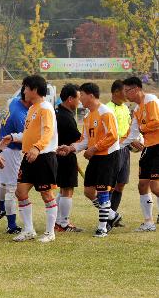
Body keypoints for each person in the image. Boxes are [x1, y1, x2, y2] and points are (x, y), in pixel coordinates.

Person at [0, 75, 59, 243]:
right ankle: (29, 230)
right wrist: (13, 137)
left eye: (25, 88)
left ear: (34, 89)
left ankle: (49, 233)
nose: (23, 91)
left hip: (44, 156)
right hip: (29, 156)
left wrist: (37, 147)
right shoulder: (32, 108)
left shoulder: (46, 108)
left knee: (47, 194)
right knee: (21, 192)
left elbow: (48, 132)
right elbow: (29, 133)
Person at [58, 82, 120, 238]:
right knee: (88, 191)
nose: (80, 99)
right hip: (95, 157)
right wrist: (71, 148)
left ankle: (102, 228)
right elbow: (85, 139)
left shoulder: (106, 112)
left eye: (82, 95)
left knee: (102, 190)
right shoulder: (87, 116)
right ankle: (112, 215)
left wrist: (94, 148)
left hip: (108, 156)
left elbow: (112, 136)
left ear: (91, 96)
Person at [121, 76, 159, 231]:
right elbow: (132, 134)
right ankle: (148, 222)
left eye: (127, 91)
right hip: (147, 148)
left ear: (136, 89)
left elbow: (157, 122)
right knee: (142, 185)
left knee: (155, 186)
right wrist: (117, 145)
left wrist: (143, 129)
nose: (125, 94)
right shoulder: (136, 109)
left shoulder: (151, 100)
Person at [0, 88, 30, 235]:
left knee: (3, 183)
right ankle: (11, 225)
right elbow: (26, 137)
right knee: (11, 187)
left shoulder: (15, 102)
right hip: (11, 150)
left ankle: (1, 207)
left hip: (3, 147)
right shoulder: (20, 115)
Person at [54, 84, 83, 232]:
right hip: (65, 156)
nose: (80, 101)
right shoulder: (66, 116)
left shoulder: (56, 111)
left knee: (63, 189)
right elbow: (78, 138)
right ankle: (64, 223)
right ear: (70, 99)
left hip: (56, 156)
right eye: (78, 98)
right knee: (67, 190)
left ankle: (58, 221)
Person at [107, 79, 132, 224]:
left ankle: (113, 215)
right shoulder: (108, 109)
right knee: (110, 184)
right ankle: (108, 217)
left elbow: (128, 126)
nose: (127, 93)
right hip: (113, 150)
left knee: (121, 183)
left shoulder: (125, 107)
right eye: (125, 90)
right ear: (116, 92)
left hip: (125, 150)